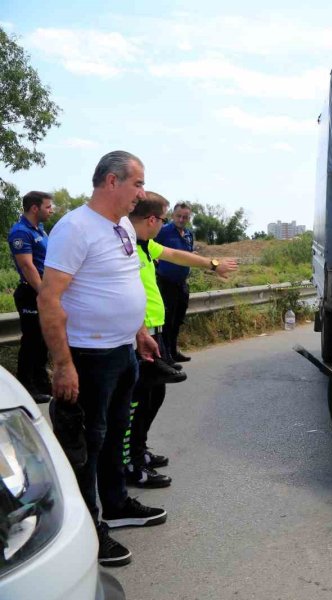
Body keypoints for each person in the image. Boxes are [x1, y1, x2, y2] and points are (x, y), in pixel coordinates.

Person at [39, 150, 167, 567]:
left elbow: (123, 284)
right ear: (112, 182)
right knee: (85, 446)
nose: (141, 193)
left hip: (123, 352)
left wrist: (140, 333)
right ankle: (90, 530)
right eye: (137, 183)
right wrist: (63, 365)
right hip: (88, 357)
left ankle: (115, 503)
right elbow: (50, 298)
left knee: (115, 434)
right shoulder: (75, 228)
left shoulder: (124, 229)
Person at [125, 192, 237, 488]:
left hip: (154, 331)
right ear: (152, 219)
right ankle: (130, 462)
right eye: (163, 219)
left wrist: (213, 264)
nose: (163, 225)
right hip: (140, 333)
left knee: (155, 394)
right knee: (137, 399)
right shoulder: (123, 247)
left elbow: (176, 255)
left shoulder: (144, 244)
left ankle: (139, 450)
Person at [7, 190, 53, 402]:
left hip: (44, 290)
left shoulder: (41, 230)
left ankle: (42, 383)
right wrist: (44, 293)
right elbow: (27, 266)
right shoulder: (20, 232)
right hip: (31, 292)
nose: (51, 210)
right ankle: (28, 388)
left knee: (43, 342)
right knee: (32, 341)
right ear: (35, 208)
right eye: (48, 207)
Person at [155, 201, 194, 362]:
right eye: (179, 216)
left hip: (182, 283)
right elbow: (150, 248)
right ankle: (166, 356)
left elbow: (189, 255)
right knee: (167, 321)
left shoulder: (189, 234)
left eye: (185, 217)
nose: (181, 219)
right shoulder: (163, 231)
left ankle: (173, 351)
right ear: (173, 215)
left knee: (178, 319)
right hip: (166, 282)